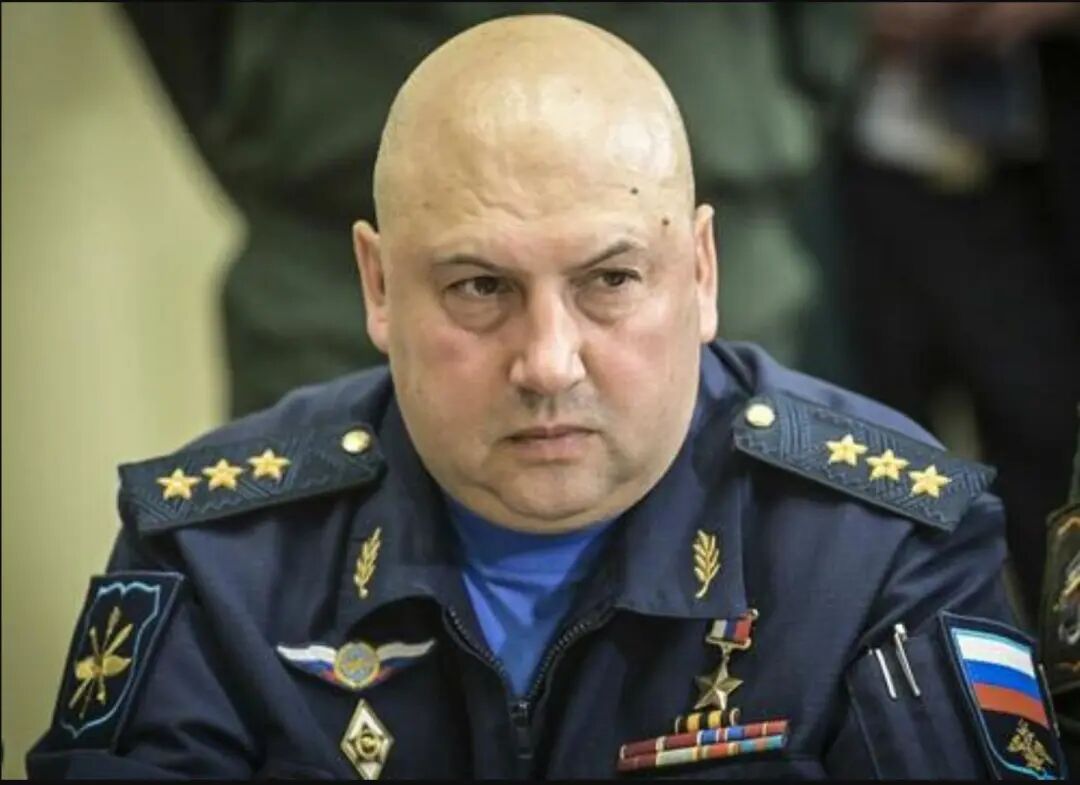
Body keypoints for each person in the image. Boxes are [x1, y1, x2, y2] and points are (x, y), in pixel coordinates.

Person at [27, 15, 1065, 780]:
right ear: (377, 286)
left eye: (610, 279)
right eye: (481, 287)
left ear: (701, 272)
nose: (549, 362)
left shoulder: (879, 546)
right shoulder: (216, 555)